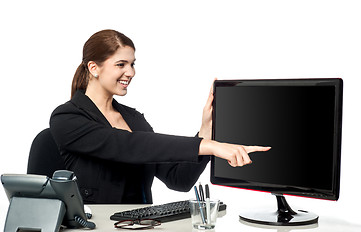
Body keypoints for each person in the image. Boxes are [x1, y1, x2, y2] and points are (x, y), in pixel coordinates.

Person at [49, 29, 271, 204]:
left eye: (132, 64)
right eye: (121, 64)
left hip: (139, 225)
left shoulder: (134, 119)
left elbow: (179, 179)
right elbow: (127, 145)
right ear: (93, 68)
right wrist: (209, 146)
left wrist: (205, 130)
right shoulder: (67, 118)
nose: (131, 72)